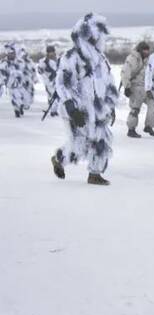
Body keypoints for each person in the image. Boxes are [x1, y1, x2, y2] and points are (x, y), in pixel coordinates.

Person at [50, 13, 118, 186]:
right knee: (78, 145)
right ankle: (59, 159)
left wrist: (111, 106)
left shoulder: (102, 60)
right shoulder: (71, 57)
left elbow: (109, 82)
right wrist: (71, 108)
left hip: (99, 109)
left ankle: (94, 173)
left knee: (101, 140)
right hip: (78, 109)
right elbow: (61, 84)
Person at [121, 41, 154, 138]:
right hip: (135, 86)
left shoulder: (149, 60)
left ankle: (149, 126)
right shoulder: (132, 59)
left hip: (147, 88)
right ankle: (131, 129)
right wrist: (127, 87)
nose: (146, 52)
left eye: (147, 50)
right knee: (135, 108)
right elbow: (125, 73)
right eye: (144, 50)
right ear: (140, 50)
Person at [0, 42, 29, 118]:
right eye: (11, 53)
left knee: (26, 101)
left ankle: (21, 107)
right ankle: (17, 110)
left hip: (21, 85)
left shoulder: (19, 62)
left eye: (13, 53)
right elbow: (2, 74)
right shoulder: (4, 63)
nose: (12, 55)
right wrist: (4, 81)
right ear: (8, 54)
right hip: (12, 85)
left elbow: (25, 72)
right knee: (16, 98)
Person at [37, 45, 60, 117]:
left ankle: (55, 109)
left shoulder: (58, 59)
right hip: (49, 82)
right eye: (50, 52)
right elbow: (40, 71)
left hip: (58, 81)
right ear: (47, 53)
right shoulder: (44, 61)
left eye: (52, 52)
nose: (51, 53)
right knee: (52, 95)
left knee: (58, 96)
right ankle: (53, 111)